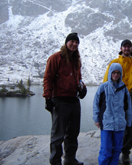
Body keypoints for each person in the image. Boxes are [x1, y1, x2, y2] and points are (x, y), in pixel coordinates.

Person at [43, 33, 86, 165]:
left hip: (73, 100)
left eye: (76, 42)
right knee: (58, 134)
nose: (74, 44)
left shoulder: (76, 60)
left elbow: (78, 78)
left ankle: (70, 159)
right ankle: (55, 161)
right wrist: (47, 98)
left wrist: (82, 89)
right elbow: (48, 78)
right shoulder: (56, 58)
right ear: (66, 42)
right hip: (60, 100)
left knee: (73, 133)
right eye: (72, 41)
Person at [103, 39, 132, 164]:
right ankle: (113, 151)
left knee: (130, 127)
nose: (126, 49)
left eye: (128, 47)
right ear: (121, 49)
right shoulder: (114, 63)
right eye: (124, 47)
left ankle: (126, 152)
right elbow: (106, 82)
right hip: (116, 99)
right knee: (114, 125)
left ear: (131, 49)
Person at [93, 63, 132, 165]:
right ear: (110, 73)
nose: (115, 75)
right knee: (105, 149)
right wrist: (96, 119)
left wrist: (129, 121)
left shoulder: (124, 89)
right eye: (113, 72)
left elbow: (128, 107)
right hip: (107, 123)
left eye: (118, 73)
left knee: (117, 149)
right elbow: (96, 103)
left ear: (121, 74)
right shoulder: (103, 87)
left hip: (120, 124)